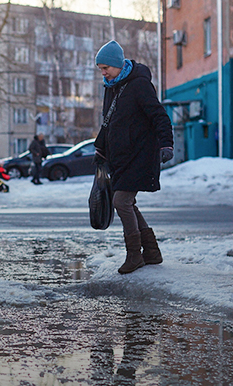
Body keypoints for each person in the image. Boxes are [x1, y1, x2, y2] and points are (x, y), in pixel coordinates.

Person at [93, 40, 173, 274]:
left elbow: (159, 116)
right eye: (100, 68)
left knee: (121, 202)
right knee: (127, 202)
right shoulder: (111, 87)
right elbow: (109, 123)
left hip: (140, 154)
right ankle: (152, 252)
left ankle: (134, 255)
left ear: (118, 64)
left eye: (106, 67)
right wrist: (100, 149)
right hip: (120, 157)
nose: (103, 72)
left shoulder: (139, 85)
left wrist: (166, 144)